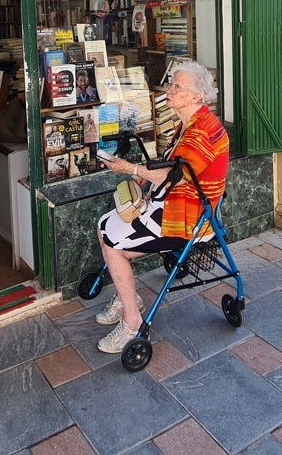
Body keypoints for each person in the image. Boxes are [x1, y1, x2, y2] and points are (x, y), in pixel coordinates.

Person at [94, 61, 229, 353]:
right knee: (106, 227)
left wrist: (130, 169)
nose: (169, 90)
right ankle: (126, 295)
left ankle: (132, 320)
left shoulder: (202, 131)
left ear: (196, 96)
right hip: (170, 205)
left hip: (188, 219)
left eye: (177, 87)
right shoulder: (188, 123)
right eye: (171, 84)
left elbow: (171, 175)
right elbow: (171, 170)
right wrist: (142, 181)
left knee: (111, 240)